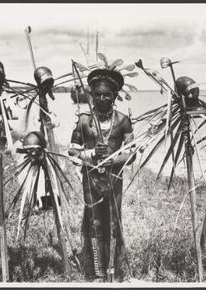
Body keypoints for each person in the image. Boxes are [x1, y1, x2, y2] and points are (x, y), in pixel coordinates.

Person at [68, 68, 135, 282]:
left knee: (114, 223)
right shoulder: (83, 121)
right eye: (97, 94)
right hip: (91, 180)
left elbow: (132, 153)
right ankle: (96, 273)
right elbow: (72, 151)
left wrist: (112, 159)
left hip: (114, 180)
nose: (102, 98)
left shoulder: (123, 121)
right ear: (91, 95)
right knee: (95, 223)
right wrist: (91, 155)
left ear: (115, 96)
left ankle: (114, 272)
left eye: (107, 94)